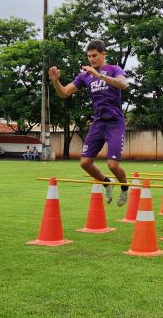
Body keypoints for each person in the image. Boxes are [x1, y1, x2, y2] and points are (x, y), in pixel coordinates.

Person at [49, 39, 130, 206]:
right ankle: (106, 183)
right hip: (98, 123)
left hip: (115, 122)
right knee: (85, 163)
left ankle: (124, 188)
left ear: (103, 55)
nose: (92, 59)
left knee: (113, 165)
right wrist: (55, 81)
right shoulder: (84, 75)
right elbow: (64, 93)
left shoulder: (114, 69)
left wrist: (99, 75)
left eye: (95, 55)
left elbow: (123, 84)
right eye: (89, 56)